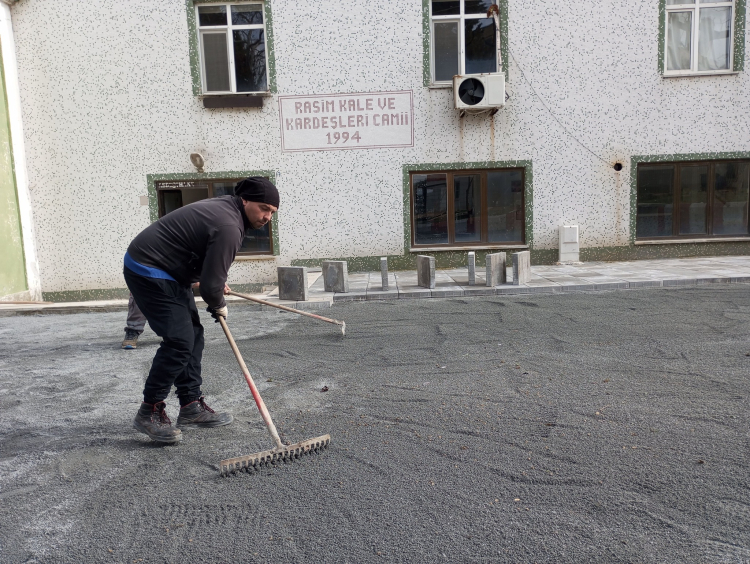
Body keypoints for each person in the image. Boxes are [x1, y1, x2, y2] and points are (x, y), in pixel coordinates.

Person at [123, 177, 279, 443]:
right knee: (179, 341)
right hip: (148, 269)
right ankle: (149, 412)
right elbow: (210, 287)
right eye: (264, 208)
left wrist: (208, 281)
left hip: (170, 270)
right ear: (245, 200)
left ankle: (191, 406)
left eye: (272, 212)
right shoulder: (230, 225)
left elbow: (203, 262)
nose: (267, 217)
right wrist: (217, 301)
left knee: (193, 336)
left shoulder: (230, 211)